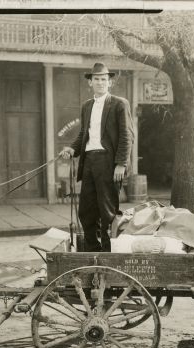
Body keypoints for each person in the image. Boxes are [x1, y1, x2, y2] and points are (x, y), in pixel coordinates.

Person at [60, 63, 134, 252]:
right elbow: (84, 134)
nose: (100, 83)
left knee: (107, 212)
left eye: (104, 79)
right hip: (89, 163)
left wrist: (121, 164)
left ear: (109, 83)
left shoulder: (119, 104)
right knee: (86, 211)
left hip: (109, 164)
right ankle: (93, 253)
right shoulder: (87, 106)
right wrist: (72, 149)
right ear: (90, 82)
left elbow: (127, 136)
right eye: (96, 79)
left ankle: (109, 255)